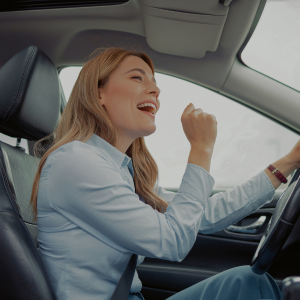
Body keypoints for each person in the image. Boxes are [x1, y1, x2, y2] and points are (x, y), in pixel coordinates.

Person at [30, 47, 300, 300]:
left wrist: (287, 163)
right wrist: (201, 149)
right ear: (98, 93)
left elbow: (201, 216)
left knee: (246, 282)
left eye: (155, 82)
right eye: (137, 77)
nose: (156, 90)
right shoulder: (76, 162)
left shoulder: (118, 170)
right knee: (251, 286)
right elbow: (173, 241)